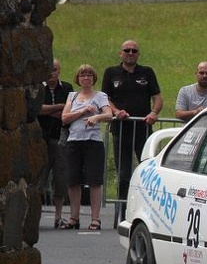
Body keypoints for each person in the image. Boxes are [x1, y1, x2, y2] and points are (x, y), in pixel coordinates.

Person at [102, 40, 163, 218]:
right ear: (120, 53)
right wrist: (115, 111)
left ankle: (148, 211)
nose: (130, 53)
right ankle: (123, 212)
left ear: (138, 54)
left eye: (134, 51)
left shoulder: (147, 72)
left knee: (147, 172)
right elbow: (105, 98)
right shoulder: (111, 73)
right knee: (124, 174)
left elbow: (157, 97)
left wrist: (154, 112)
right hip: (121, 129)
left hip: (142, 129)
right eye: (127, 50)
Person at [60, 64, 113, 230]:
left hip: (93, 141)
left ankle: (95, 218)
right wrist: (83, 111)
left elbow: (109, 114)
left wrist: (96, 117)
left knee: (94, 180)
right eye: (83, 75)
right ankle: (74, 217)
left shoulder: (100, 96)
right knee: (72, 180)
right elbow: (65, 118)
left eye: (89, 75)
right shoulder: (72, 96)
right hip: (74, 141)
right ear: (78, 78)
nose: (86, 78)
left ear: (93, 78)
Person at [38, 58, 73, 228]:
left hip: (60, 138)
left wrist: (50, 110)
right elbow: (37, 109)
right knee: (39, 178)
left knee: (60, 178)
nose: (52, 73)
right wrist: (59, 106)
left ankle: (58, 216)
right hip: (40, 139)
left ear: (59, 71)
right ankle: (34, 216)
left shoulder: (67, 88)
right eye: (49, 69)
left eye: (55, 69)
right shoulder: (38, 88)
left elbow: (68, 112)